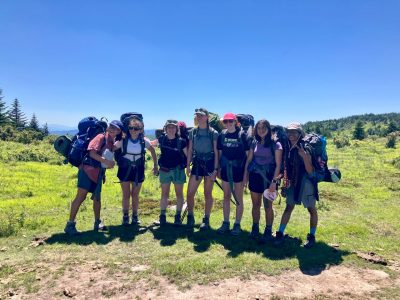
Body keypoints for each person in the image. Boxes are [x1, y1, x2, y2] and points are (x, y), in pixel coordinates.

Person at [64, 120, 122, 236]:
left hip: (98, 173)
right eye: (111, 127)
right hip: (87, 170)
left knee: (97, 198)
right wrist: (106, 162)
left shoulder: (111, 140)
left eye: (116, 129)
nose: (112, 129)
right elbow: (92, 153)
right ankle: (70, 225)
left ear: (119, 131)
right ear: (108, 127)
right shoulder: (100, 137)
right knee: (80, 197)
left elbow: (111, 150)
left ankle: (97, 222)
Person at [274, 122, 318, 248]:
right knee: (288, 207)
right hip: (293, 182)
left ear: (300, 133)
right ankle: (280, 233)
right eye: (289, 131)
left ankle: (312, 236)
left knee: (311, 209)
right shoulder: (288, 147)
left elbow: (310, 171)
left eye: (294, 132)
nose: (291, 134)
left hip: (306, 182)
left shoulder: (306, 147)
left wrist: (304, 156)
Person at [114, 115, 158, 226]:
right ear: (128, 129)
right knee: (126, 194)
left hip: (138, 169)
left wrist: (156, 166)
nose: (133, 131)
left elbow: (152, 151)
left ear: (140, 130)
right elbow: (111, 148)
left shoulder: (144, 141)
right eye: (131, 128)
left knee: (135, 195)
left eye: (136, 129)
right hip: (124, 169)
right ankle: (125, 216)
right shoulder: (123, 141)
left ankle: (134, 216)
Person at [244, 119, 282, 242]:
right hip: (255, 177)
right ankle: (255, 228)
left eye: (263, 128)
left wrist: (274, 182)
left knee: (268, 206)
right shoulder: (254, 143)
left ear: (268, 129)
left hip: (269, 178)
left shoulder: (276, 144)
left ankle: (268, 230)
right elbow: (249, 160)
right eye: (259, 128)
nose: (261, 130)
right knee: (255, 205)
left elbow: (278, 165)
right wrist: (246, 175)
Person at [216, 113, 250, 235]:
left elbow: (248, 156)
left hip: (239, 170)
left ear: (235, 122)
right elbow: (219, 154)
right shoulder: (222, 136)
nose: (228, 123)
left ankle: (237, 224)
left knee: (238, 198)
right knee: (226, 196)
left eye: (231, 121)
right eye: (226, 122)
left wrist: (246, 174)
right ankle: (226, 223)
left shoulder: (243, 135)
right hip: (225, 170)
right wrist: (218, 168)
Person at [186, 108, 219, 229]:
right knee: (190, 193)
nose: (199, 117)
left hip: (209, 163)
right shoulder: (193, 132)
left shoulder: (213, 133)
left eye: (201, 115)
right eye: (197, 116)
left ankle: (206, 219)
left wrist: (215, 170)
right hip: (197, 164)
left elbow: (216, 152)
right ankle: (190, 216)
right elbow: (190, 150)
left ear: (207, 117)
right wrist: (188, 166)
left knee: (207, 193)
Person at [156, 120, 188, 225]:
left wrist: (188, 167)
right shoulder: (161, 139)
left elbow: (188, 155)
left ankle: (177, 216)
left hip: (178, 170)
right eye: (169, 127)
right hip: (165, 169)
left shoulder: (181, 141)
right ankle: (162, 216)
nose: (171, 129)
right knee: (164, 194)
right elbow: (150, 144)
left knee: (179, 194)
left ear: (176, 129)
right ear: (165, 129)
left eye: (173, 127)